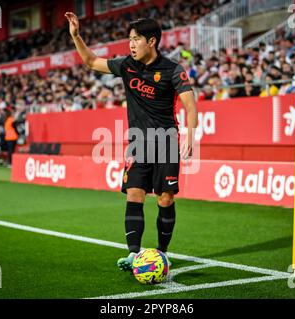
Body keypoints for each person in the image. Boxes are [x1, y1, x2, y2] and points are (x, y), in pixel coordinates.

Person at [65, 12, 198, 271]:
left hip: (166, 142)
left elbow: (190, 106)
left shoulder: (173, 70)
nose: (131, 44)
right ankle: (133, 254)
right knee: (134, 195)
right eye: (129, 40)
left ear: (152, 41)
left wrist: (191, 136)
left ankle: (162, 253)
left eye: (136, 39)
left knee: (165, 199)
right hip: (138, 143)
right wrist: (76, 36)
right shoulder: (127, 65)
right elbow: (91, 61)